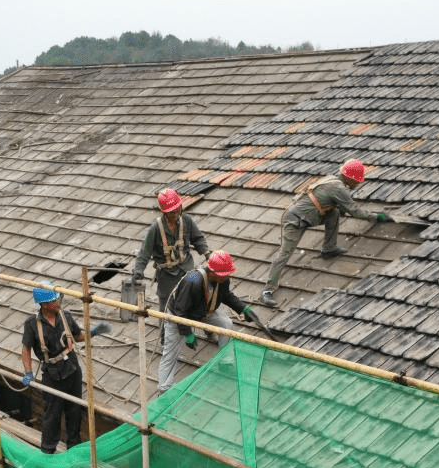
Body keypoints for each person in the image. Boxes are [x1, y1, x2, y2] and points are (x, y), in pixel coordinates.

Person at [258, 159, 393, 306]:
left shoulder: (334, 180)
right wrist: (376, 217)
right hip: (294, 221)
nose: (358, 183)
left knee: (334, 213)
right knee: (284, 253)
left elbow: (338, 206)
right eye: (357, 180)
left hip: (311, 216)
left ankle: (329, 248)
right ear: (349, 177)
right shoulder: (338, 188)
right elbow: (355, 211)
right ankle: (267, 290)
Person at [20, 283, 111, 453]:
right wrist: (28, 372)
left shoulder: (66, 317)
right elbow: (25, 349)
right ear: (44, 305)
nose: (59, 302)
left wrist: (93, 333)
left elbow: (77, 337)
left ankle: (74, 446)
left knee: (74, 410)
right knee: (52, 414)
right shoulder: (32, 324)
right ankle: (48, 449)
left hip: (72, 369)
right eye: (55, 300)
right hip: (52, 374)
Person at [159, 250, 259, 393]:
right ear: (212, 272)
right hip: (179, 316)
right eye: (224, 275)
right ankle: (164, 388)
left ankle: (225, 361)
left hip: (204, 309)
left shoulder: (222, 279)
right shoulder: (192, 279)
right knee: (170, 352)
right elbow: (181, 311)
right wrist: (187, 333)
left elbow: (227, 296)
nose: (227, 277)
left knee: (227, 325)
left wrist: (243, 309)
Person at [130, 188, 210, 310]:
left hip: (187, 270)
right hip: (167, 276)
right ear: (164, 212)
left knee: (197, 293)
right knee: (168, 305)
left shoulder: (186, 220)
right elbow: (144, 253)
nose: (175, 214)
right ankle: (165, 328)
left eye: (177, 210)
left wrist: (207, 253)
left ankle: (192, 325)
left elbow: (198, 239)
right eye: (171, 212)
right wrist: (138, 271)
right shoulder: (156, 228)